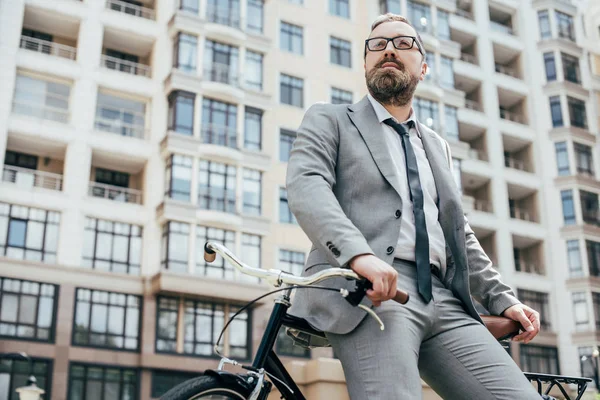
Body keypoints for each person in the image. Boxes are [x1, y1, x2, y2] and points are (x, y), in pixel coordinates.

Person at [285, 13, 542, 400]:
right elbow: (307, 186)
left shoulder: (437, 147)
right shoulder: (330, 119)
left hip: (443, 298)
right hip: (371, 293)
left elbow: (460, 236)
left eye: (403, 43)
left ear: (422, 67)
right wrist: (359, 256)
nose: (388, 49)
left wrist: (503, 299)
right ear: (366, 62)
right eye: (377, 44)